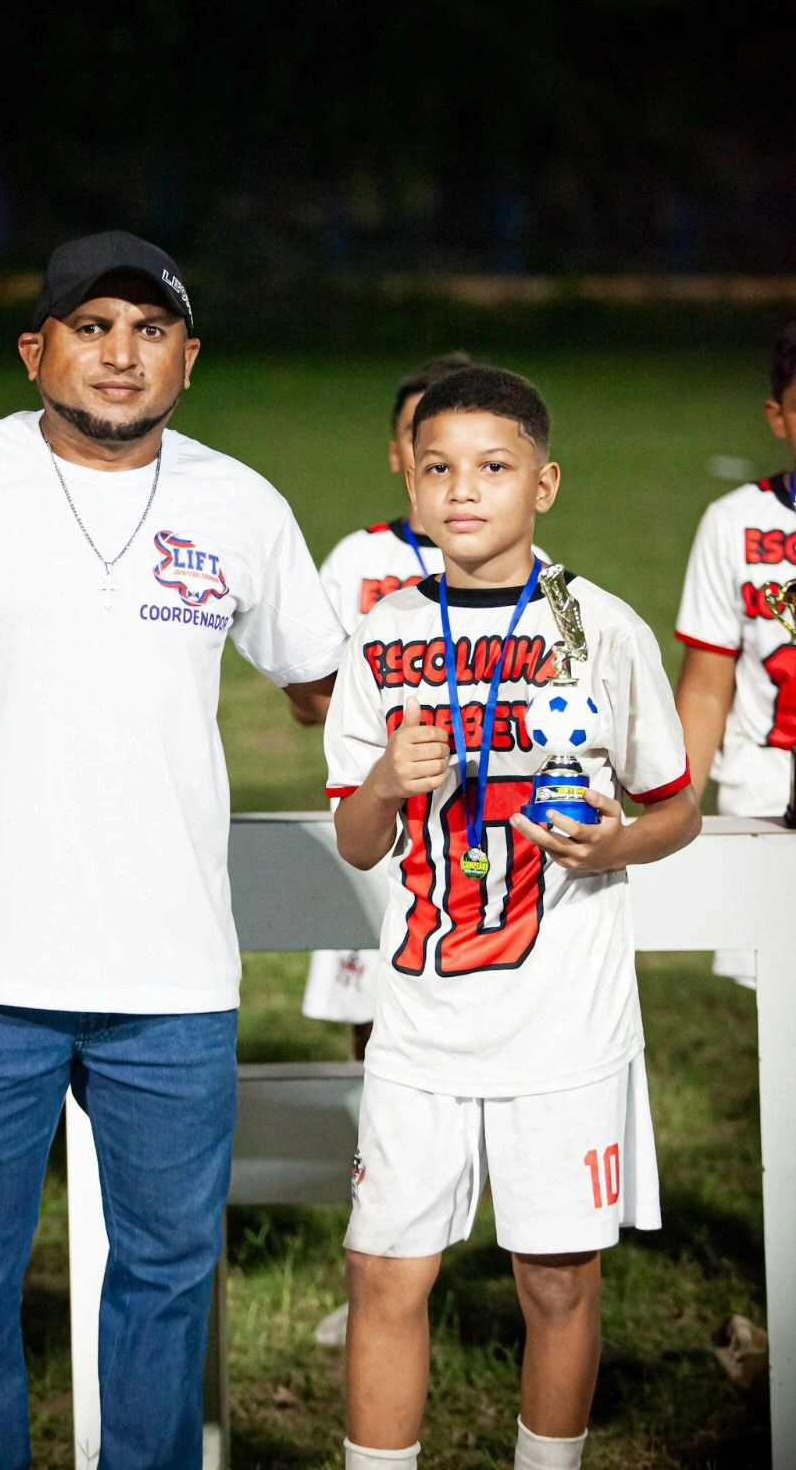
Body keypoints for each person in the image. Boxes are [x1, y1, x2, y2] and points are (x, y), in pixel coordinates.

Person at [0, 230, 346, 1470]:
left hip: (172, 978)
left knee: (166, 1280)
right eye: (92, 325)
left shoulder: (241, 502)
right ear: (35, 350)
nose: (121, 354)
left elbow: (328, 688)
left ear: (190, 361)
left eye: (151, 329)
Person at [323, 365, 700, 1470]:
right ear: (410, 475)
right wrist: (387, 782)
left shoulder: (602, 624)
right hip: (421, 1023)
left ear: (544, 483)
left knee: (555, 1279)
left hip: (561, 1021)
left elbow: (673, 805)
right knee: (384, 1273)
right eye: (438, 466)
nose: (462, 490)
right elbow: (355, 838)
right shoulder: (384, 630)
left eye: (492, 467)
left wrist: (615, 841)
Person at [301, 354, 473, 1063]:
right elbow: (309, 700)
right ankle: (367, 1160)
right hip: (375, 826)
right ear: (399, 452)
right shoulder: (357, 561)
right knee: (375, 1017)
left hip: (475, 828)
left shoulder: (525, 568)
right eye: (418, 430)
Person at [675, 318, 796, 989]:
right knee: (785, 1002)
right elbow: (705, 687)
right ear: (777, 417)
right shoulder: (736, 523)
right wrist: (677, 805)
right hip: (767, 790)